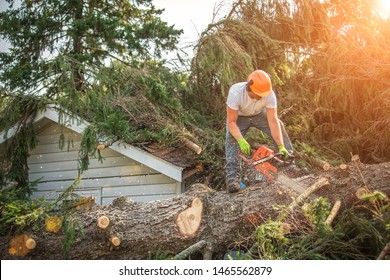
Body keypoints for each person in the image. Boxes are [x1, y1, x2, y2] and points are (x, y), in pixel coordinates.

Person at [225, 69, 293, 193]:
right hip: (239, 117)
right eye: (259, 94)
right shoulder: (236, 92)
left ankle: (288, 161)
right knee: (231, 139)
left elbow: (272, 120)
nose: (262, 97)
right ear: (249, 88)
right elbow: (231, 122)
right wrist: (240, 140)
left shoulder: (269, 94)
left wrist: (281, 145)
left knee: (280, 125)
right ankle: (232, 177)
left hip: (258, 115)